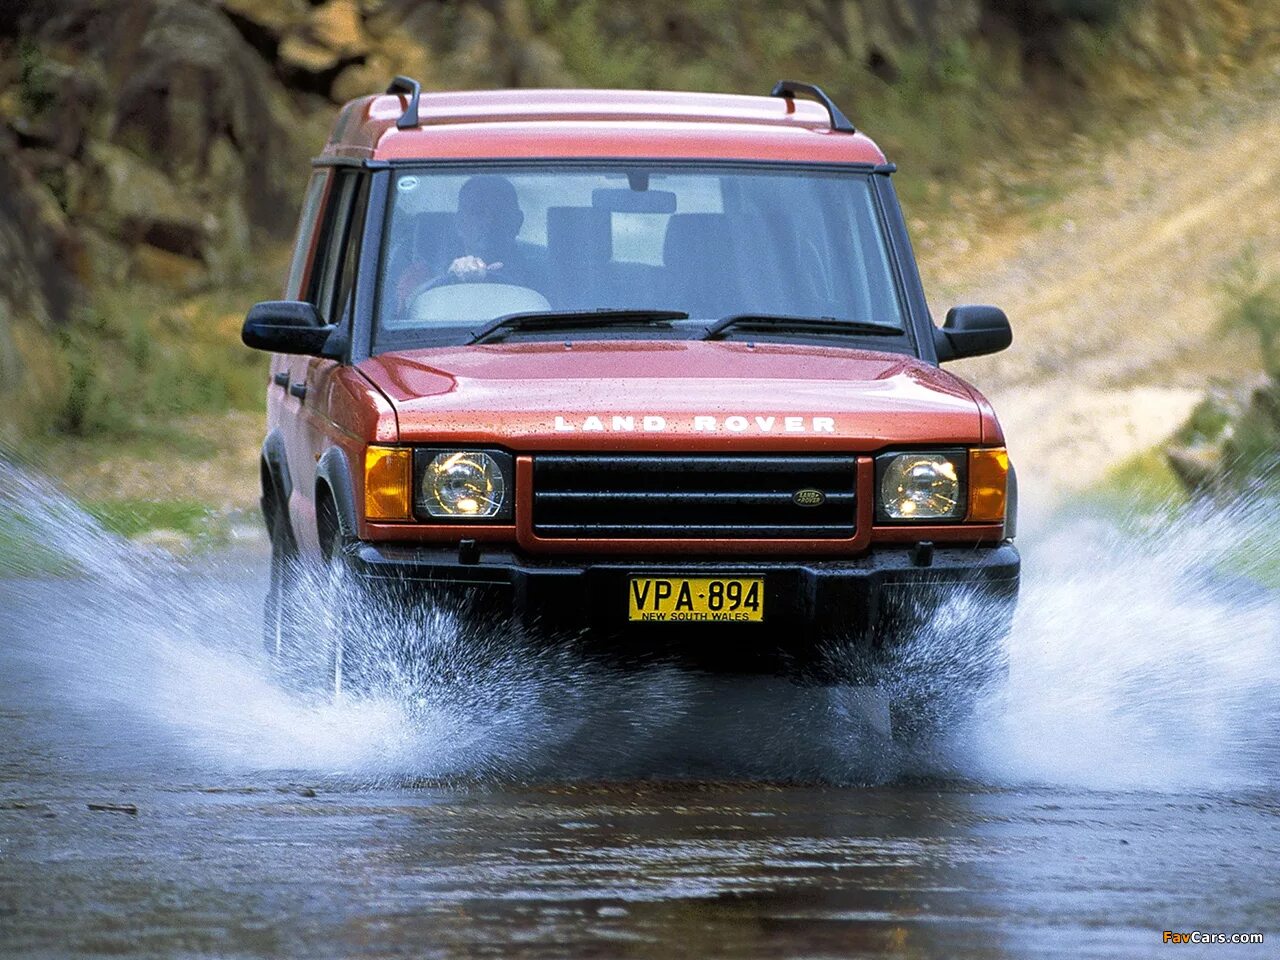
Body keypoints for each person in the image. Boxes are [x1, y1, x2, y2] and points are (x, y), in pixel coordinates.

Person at [441, 174, 530, 285]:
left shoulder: (548, 277)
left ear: (518, 222)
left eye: (500, 212)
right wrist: (452, 280)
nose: (489, 221)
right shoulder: (429, 275)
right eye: (477, 212)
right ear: (459, 223)